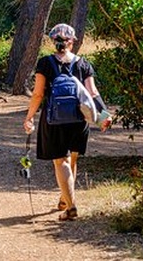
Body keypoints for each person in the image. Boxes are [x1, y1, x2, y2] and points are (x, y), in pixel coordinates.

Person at [22, 23, 111, 221]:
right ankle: (65, 197)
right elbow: (93, 92)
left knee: (61, 161)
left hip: (54, 120)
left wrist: (29, 117)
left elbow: (38, 94)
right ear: (72, 42)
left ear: (53, 42)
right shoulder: (83, 64)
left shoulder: (45, 63)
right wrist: (104, 115)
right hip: (79, 119)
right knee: (72, 159)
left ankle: (70, 207)